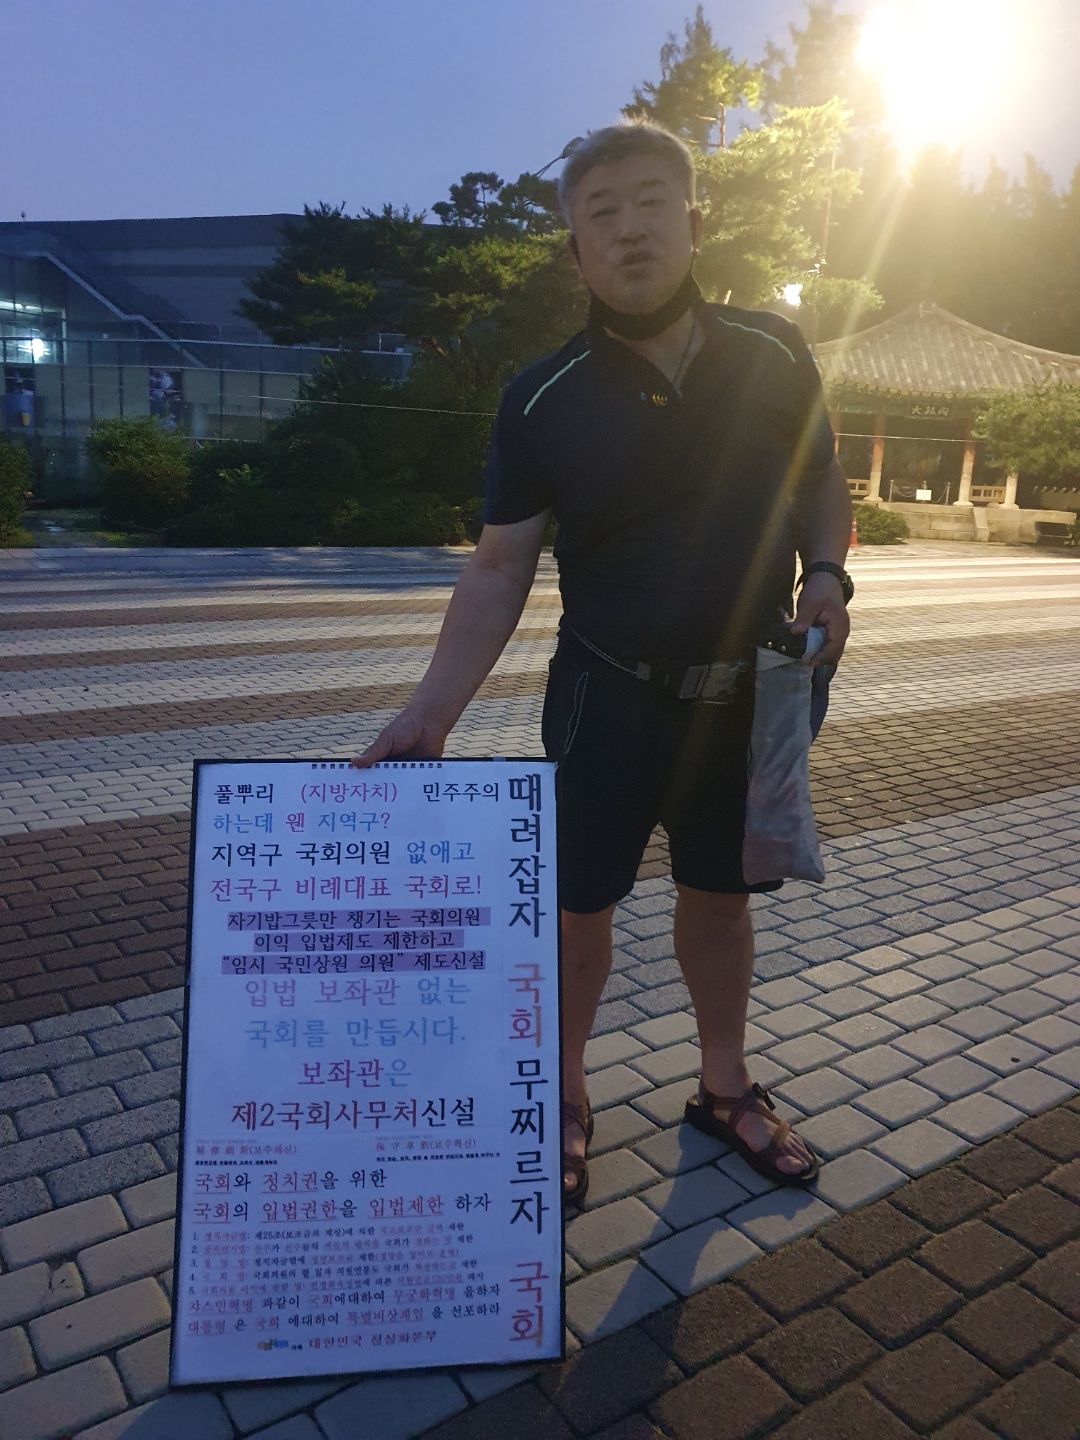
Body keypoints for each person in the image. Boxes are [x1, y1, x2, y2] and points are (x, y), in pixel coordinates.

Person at [355, 122, 853, 1204]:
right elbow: (499, 568)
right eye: (602, 214)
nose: (631, 230)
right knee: (579, 909)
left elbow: (821, 476)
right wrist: (431, 712)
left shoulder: (774, 352)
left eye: (651, 203)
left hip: (746, 698)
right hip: (604, 698)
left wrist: (826, 572)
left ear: (694, 222)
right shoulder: (543, 396)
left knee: (720, 902)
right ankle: (565, 1092)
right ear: (575, 249)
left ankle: (724, 1087)